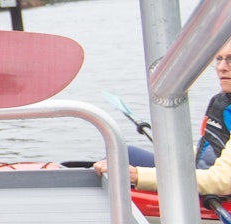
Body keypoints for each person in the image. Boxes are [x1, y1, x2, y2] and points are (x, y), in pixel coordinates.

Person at [93, 35, 231, 196]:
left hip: (219, 190)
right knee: (126, 154)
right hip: (208, 173)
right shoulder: (224, 102)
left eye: (230, 59)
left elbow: (222, 181)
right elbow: (211, 149)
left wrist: (138, 176)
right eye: (219, 59)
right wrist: (173, 152)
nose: (221, 67)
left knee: (122, 174)